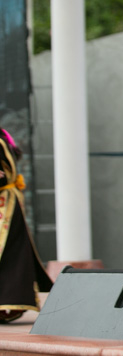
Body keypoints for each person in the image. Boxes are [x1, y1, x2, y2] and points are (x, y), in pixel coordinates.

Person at [0, 127, 53, 323]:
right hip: (7, 203)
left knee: (10, 254)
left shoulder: (1, 140)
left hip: (6, 206)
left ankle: (10, 301)